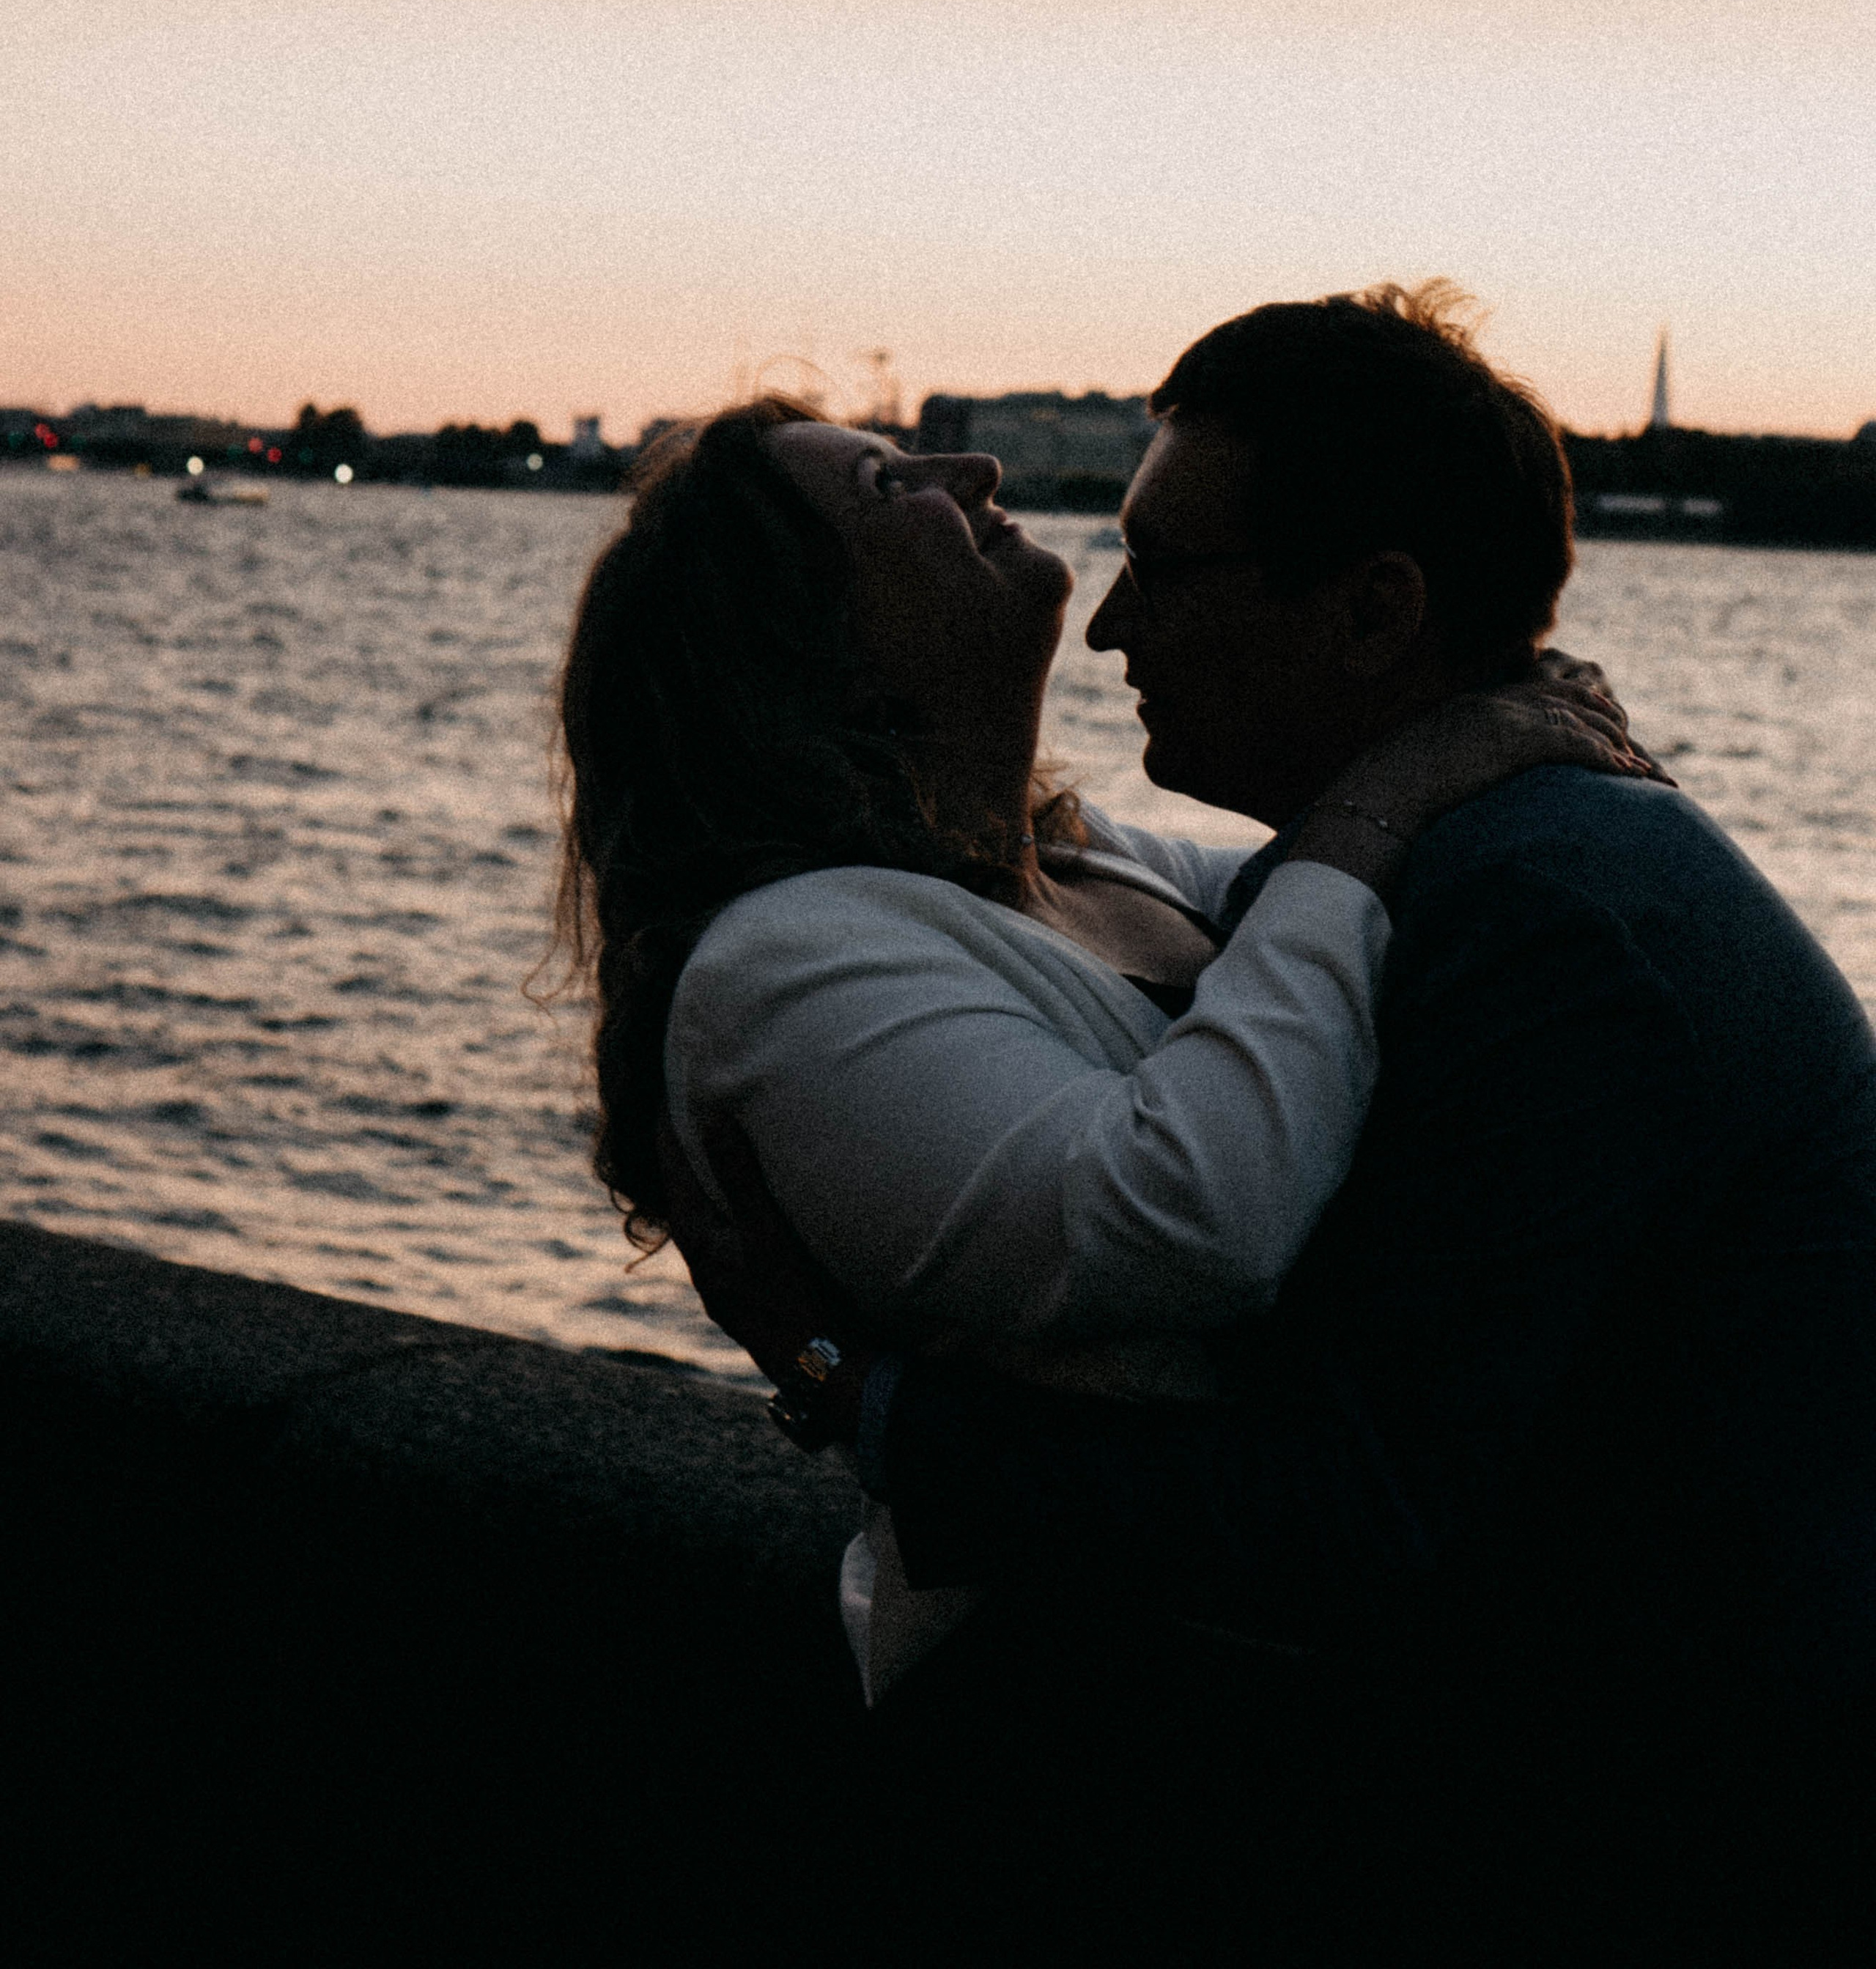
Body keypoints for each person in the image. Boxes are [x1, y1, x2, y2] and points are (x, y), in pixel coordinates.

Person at [671, 289, 1876, 1958]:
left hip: (1683, 1833)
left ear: (1373, 610)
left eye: (1163, 570)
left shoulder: (1540, 917)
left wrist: (858, 1398)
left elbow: (1352, 1523)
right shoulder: (1476, 868)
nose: (1109, 630)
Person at [552, 346, 1642, 1715]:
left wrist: (1431, 771)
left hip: (1319, 1638)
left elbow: (1353, 935)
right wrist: (1387, 796)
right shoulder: (787, 956)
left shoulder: (1080, 862)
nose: (975, 469)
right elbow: (1188, 1217)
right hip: (1105, 1702)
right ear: (799, 645)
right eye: (895, 487)